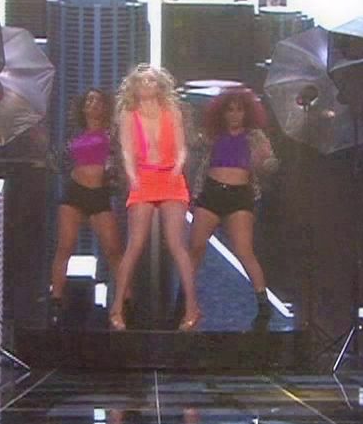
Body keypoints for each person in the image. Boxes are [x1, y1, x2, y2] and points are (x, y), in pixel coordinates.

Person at [109, 65, 199, 331]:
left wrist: (177, 168)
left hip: (171, 178)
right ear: (134, 86)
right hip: (144, 178)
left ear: (160, 85)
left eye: (151, 80)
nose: (147, 84)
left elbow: (182, 148)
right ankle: (117, 308)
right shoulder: (129, 113)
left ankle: (192, 308)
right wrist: (132, 177)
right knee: (135, 244)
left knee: (176, 244)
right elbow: (127, 151)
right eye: (142, 81)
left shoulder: (172, 110)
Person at [188, 87, 279, 326]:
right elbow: (192, 142)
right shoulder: (212, 135)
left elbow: (270, 163)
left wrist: (266, 162)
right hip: (211, 193)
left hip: (240, 196)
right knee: (195, 248)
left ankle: (263, 304)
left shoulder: (255, 137)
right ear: (222, 113)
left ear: (247, 112)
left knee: (244, 250)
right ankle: (184, 302)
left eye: (239, 110)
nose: (235, 115)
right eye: (230, 110)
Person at [48, 88, 125, 319]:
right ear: (83, 107)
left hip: (99, 194)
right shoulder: (74, 136)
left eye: (98, 100)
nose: (93, 104)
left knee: (113, 251)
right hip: (75, 193)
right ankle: (55, 301)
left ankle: (125, 301)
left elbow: (121, 164)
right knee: (65, 247)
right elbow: (57, 162)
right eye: (89, 100)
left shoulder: (113, 134)